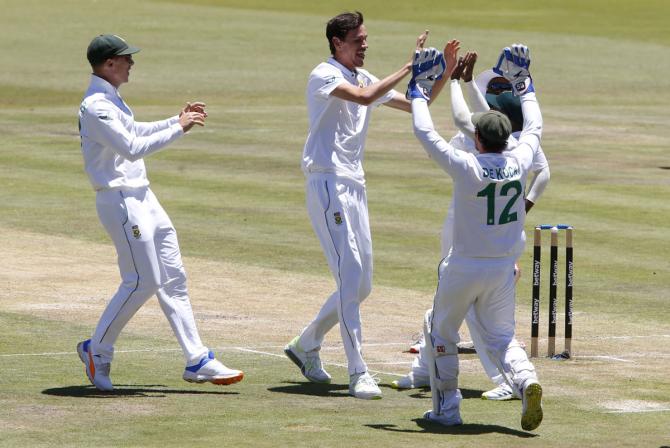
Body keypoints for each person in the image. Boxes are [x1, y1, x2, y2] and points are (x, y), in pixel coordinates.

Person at [283, 11, 444, 400]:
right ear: (337, 43)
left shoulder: (365, 76)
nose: (365, 45)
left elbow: (415, 105)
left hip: (355, 185)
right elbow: (363, 98)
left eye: (365, 38)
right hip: (326, 183)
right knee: (350, 274)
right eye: (358, 40)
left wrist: (444, 73)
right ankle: (358, 372)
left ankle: (306, 344)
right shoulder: (324, 74)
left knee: (362, 283)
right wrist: (409, 64)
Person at [76, 34, 243, 391]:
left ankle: (197, 359)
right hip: (120, 200)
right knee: (142, 280)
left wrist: (175, 119)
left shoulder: (111, 100)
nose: (131, 64)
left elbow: (135, 130)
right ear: (108, 64)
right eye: (125, 59)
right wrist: (180, 129)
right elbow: (133, 147)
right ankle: (97, 349)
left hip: (143, 197)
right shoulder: (96, 106)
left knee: (173, 277)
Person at [393, 47, 550, 402]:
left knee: (442, 334)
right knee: (503, 338)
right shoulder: (519, 159)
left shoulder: (467, 166)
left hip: (463, 265)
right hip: (501, 271)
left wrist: (419, 89)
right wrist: (525, 84)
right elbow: (536, 126)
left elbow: (424, 131)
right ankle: (525, 380)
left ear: (477, 139)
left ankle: (447, 408)